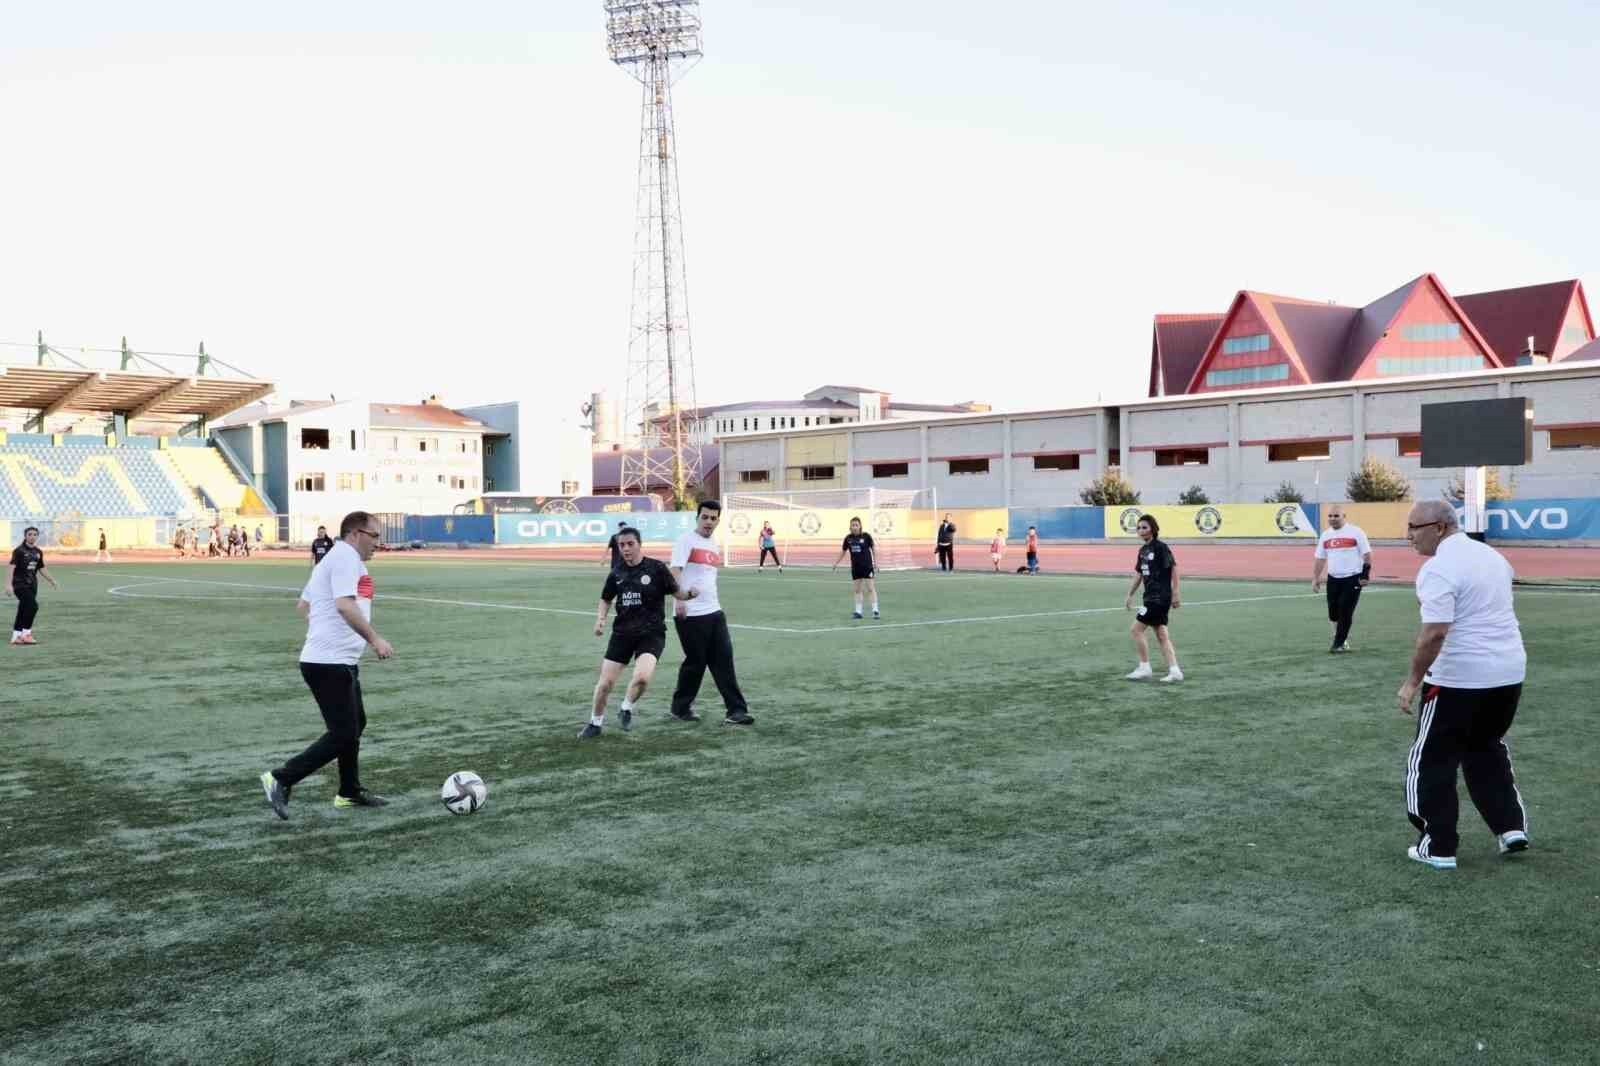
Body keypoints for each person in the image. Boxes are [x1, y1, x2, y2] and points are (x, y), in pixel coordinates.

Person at [1395, 499, 1530, 870]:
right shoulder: (1493, 557)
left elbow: (1434, 633)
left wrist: (1412, 681)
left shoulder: (1439, 568)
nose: (1409, 536)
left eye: (1414, 527)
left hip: (1458, 678)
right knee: (1486, 748)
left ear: (1439, 527)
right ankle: (1510, 828)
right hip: (1508, 673)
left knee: (1431, 760)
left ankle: (1438, 846)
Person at [260, 511, 394, 819]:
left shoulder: (336, 559)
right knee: (344, 733)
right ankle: (281, 778)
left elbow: (304, 605)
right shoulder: (345, 557)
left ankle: (349, 791)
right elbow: (344, 605)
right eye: (375, 536)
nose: (378, 543)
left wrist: (323, 626)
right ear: (356, 534)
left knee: (355, 725)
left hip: (336, 660)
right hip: (328, 663)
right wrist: (374, 639)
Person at [581, 527, 698, 738]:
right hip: (622, 634)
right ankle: (595, 724)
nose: (625, 549)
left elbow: (676, 592)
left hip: (651, 633)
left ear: (639, 544)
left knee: (642, 678)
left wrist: (689, 595)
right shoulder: (616, 572)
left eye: (630, 544)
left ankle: (626, 707)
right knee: (605, 684)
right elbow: (606, 599)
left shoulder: (656, 568)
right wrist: (600, 619)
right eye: (622, 545)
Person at [668, 500, 755, 726]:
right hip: (690, 614)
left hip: (714, 611)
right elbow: (675, 570)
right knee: (696, 663)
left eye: (713, 518)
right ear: (697, 518)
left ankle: (736, 711)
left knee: (724, 660)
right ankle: (680, 708)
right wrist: (679, 599)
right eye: (704, 517)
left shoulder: (714, 544)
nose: (708, 521)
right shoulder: (686, 540)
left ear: (718, 520)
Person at [1123, 514, 1183, 682]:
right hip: (1149, 597)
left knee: (1136, 630)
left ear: (1153, 529)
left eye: (1145, 527)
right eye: (1139, 528)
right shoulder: (1142, 551)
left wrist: (1176, 592)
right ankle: (1175, 671)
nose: (1141, 530)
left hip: (1159, 597)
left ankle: (1144, 667)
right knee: (1161, 635)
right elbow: (1139, 574)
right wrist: (1130, 594)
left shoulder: (1160, 547)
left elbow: (1174, 568)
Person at [1312, 504, 1371, 653]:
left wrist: (1365, 574)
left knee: (1345, 610)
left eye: (1336, 516)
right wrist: (1315, 578)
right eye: (1330, 516)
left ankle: (1338, 644)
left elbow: (1367, 554)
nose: (1333, 518)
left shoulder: (1356, 532)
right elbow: (1320, 558)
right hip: (1333, 579)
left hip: (1353, 578)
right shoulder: (1325, 535)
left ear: (1344, 517)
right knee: (1333, 613)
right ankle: (1340, 638)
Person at [7, 526, 59, 646]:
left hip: (32, 585)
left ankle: (16, 636)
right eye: (29, 534)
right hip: (19, 584)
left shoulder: (38, 552)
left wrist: (51, 580)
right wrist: (8, 585)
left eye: (35, 534)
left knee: (23, 609)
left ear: (37, 536)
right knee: (33, 606)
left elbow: (41, 567)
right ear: (25, 536)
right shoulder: (19, 551)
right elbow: (11, 568)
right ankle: (26, 634)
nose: (32, 536)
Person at [832, 516, 879, 620]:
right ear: (850, 527)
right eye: (853, 525)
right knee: (857, 590)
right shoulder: (848, 539)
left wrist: (876, 563)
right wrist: (836, 563)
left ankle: (875, 611)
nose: (854, 527)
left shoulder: (866, 536)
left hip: (867, 567)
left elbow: (873, 549)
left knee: (870, 588)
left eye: (856, 525)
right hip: (855, 568)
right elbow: (843, 551)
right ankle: (858, 612)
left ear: (860, 526)